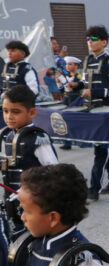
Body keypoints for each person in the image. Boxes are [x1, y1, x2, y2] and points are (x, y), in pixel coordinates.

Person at [0, 85, 58, 240]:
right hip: (11, 204)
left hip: (35, 204)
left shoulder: (38, 138)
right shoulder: (6, 135)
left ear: (31, 112)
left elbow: (55, 172)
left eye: (15, 112)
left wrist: (29, 190)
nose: (9, 116)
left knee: (34, 241)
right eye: (5, 111)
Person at [80, 25, 109, 201]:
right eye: (88, 39)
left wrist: (94, 92)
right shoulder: (87, 60)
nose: (90, 42)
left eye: (94, 39)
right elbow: (85, 83)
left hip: (107, 112)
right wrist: (75, 86)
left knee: (101, 150)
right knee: (104, 146)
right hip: (92, 111)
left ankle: (93, 188)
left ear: (104, 42)